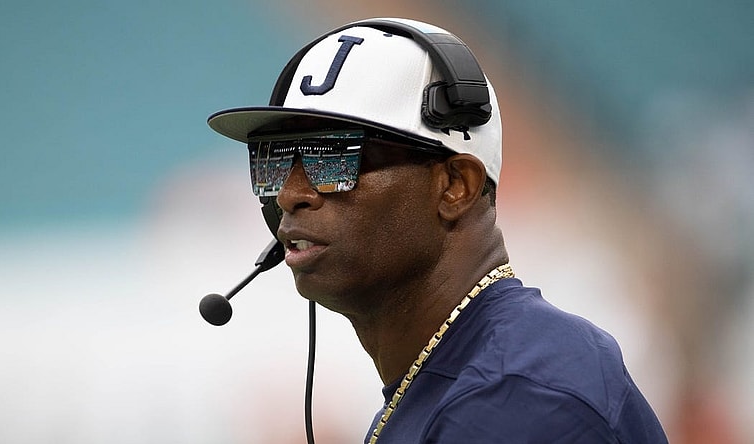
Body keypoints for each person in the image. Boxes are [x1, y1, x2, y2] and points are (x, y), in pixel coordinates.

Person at [207, 17, 668, 443]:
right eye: (275, 162)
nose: (290, 193)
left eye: (333, 157)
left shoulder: (515, 401)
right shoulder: (465, 376)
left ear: (454, 186)